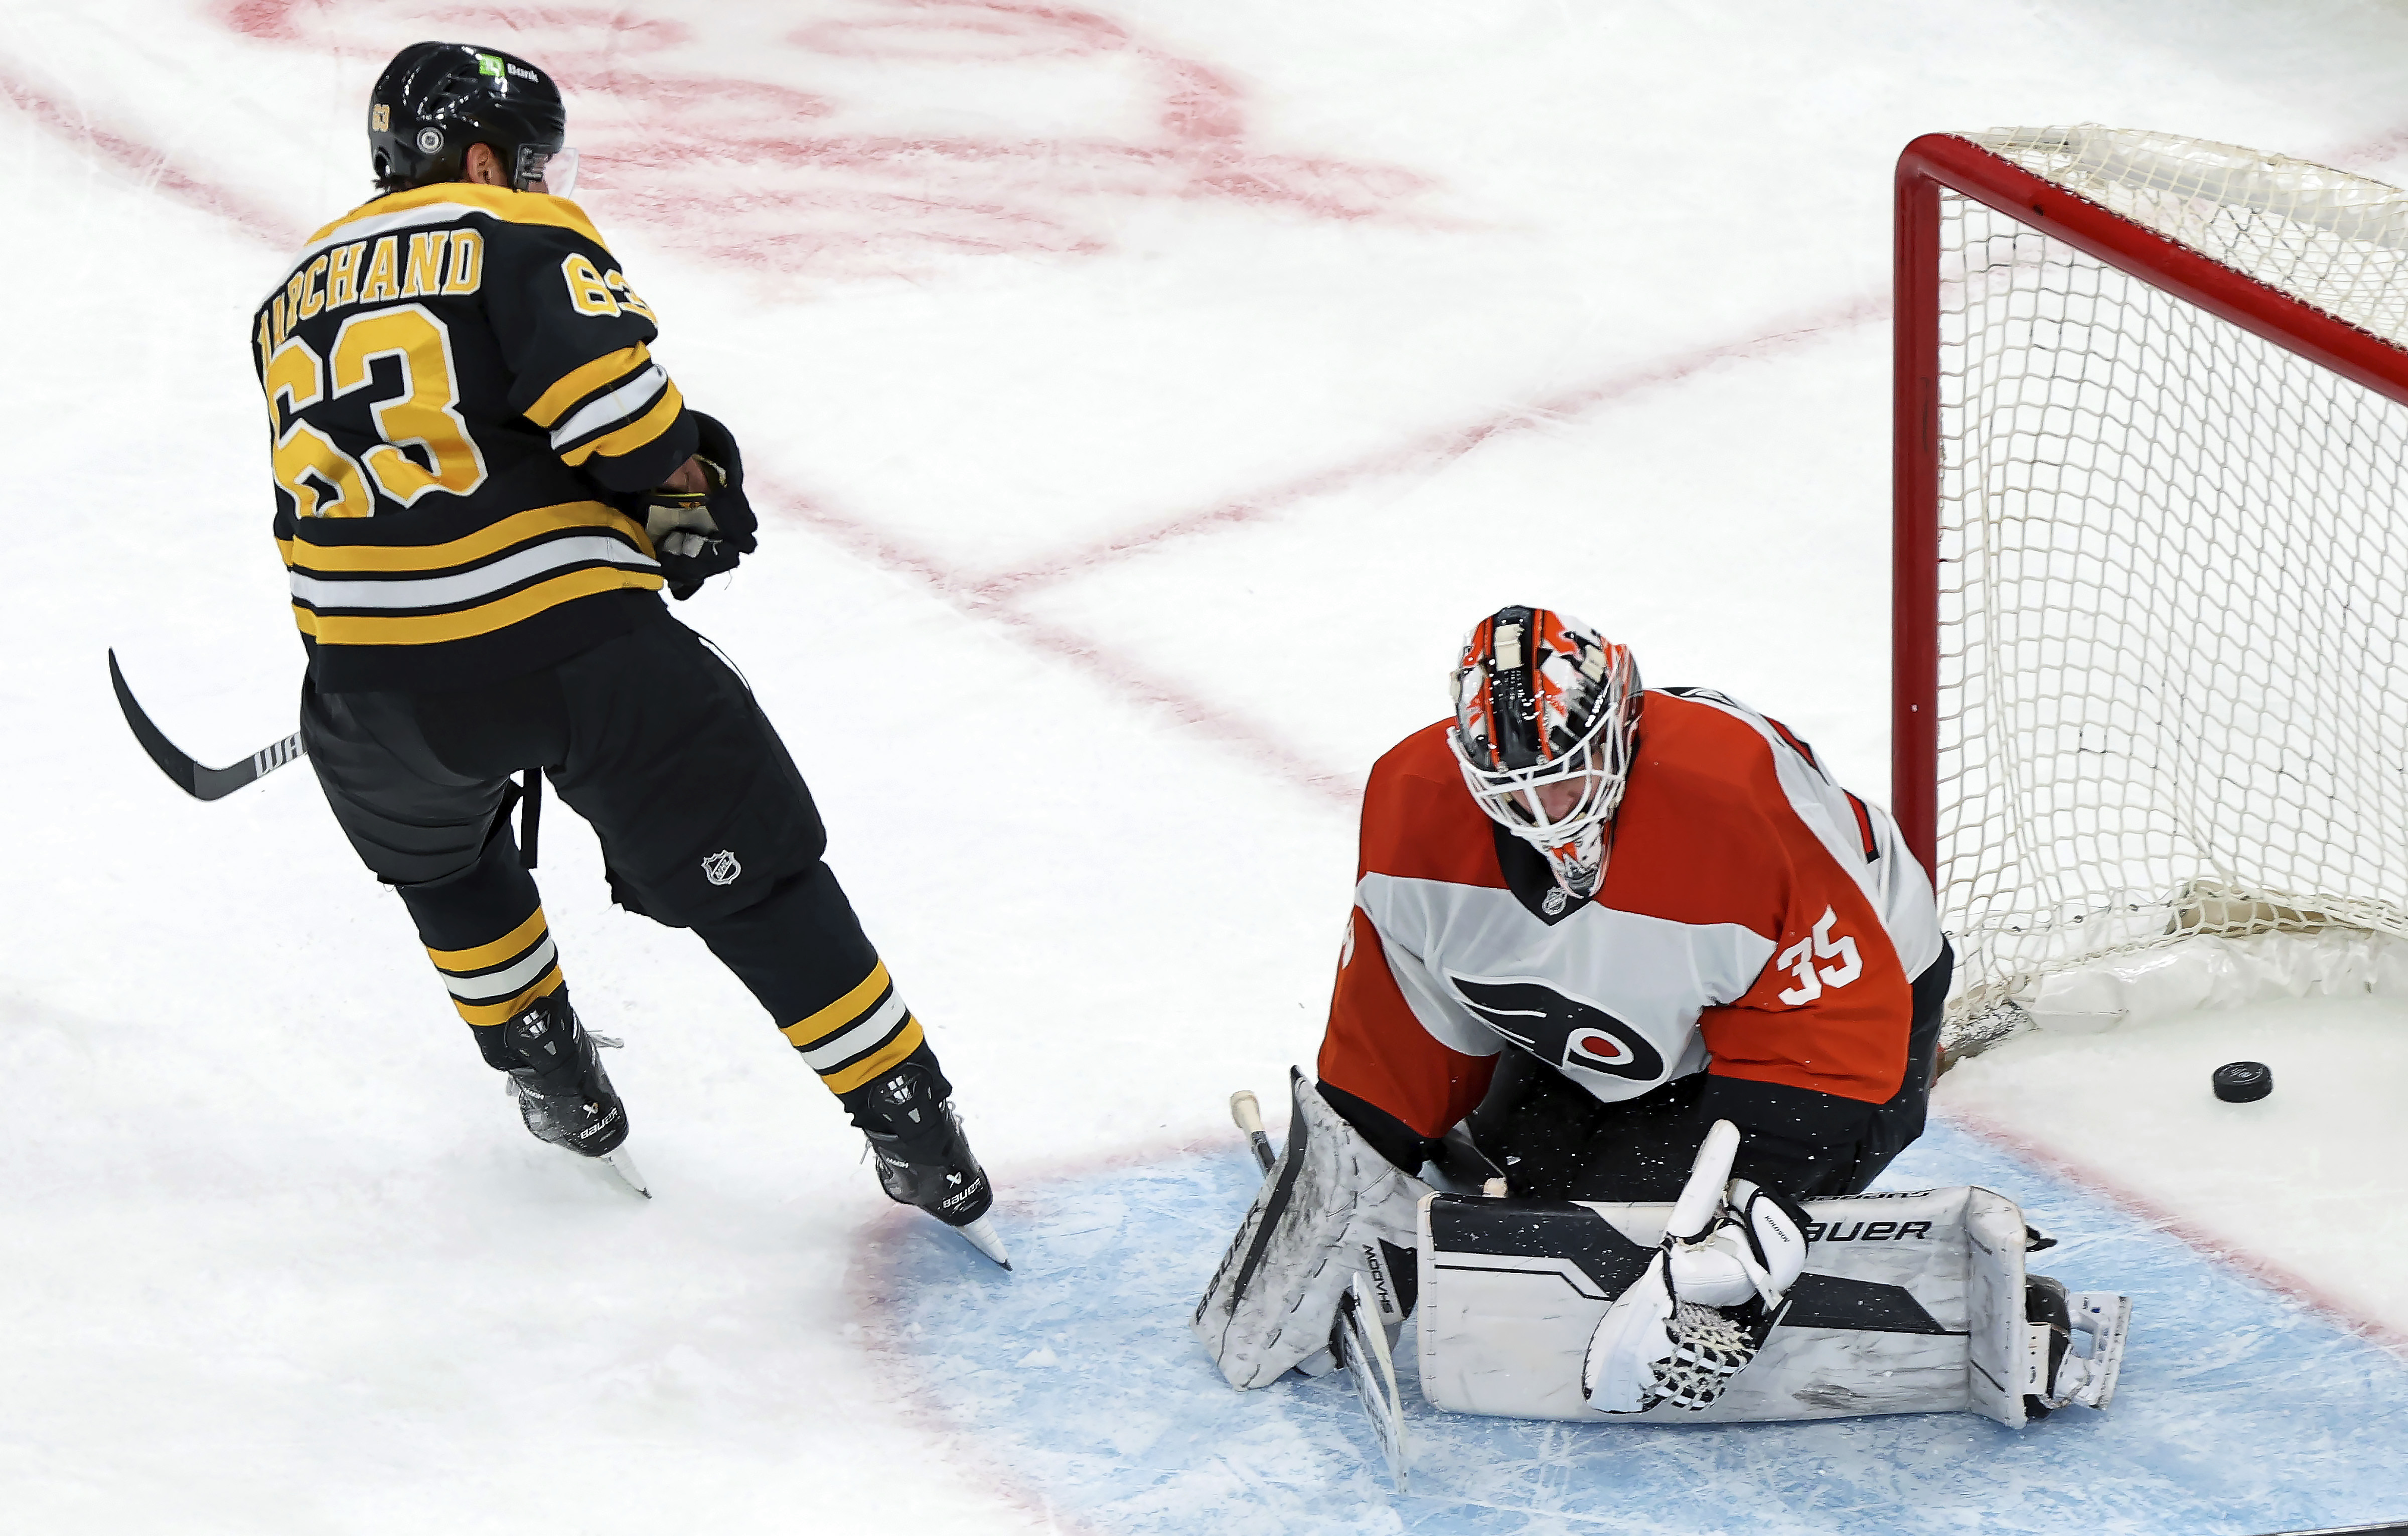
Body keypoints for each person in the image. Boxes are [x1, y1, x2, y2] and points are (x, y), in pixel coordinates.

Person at [254, 41, 1005, 1266]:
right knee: (755, 874)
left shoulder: (284, 293)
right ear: (486, 156)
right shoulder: (515, 237)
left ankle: (550, 1077)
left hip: (362, 686)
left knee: (445, 867)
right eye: (532, 161)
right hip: (568, 651)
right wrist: (687, 488)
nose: (542, 181)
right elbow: (621, 425)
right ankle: (910, 1121)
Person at [1195, 605, 1951, 1398]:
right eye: (1516, 793)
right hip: (1630, 1019)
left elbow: (1830, 1039)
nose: (1549, 819)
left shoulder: (1736, 805)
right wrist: (1355, 1171)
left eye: (1567, 780)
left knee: (1628, 1246)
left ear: (1624, 721)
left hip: (1856, 1017)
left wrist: (1744, 1206)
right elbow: (1397, 1031)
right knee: (1516, 1190)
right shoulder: (1412, 800)